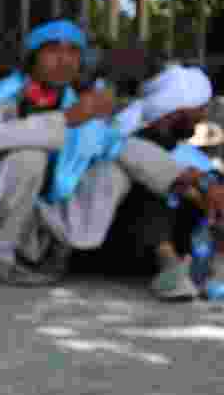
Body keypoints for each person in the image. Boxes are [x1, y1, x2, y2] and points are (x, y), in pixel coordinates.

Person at [0, 18, 219, 288]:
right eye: (53, 50)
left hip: (36, 222)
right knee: (30, 156)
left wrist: (194, 178)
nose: (64, 60)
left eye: (73, 51)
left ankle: (51, 252)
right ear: (33, 58)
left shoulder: (74, 102)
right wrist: (65, 120)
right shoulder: (11, 95)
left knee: (115, 167)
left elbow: (120, 147)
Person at [73, 65, 219, 299]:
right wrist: (192, 186)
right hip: (113, 249)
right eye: (199, 109)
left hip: (164, 251)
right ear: (176, 111)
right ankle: (169, 266)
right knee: (157, 184)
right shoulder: (126, 144)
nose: (203, 116)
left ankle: (184, 267)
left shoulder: (187, 153)